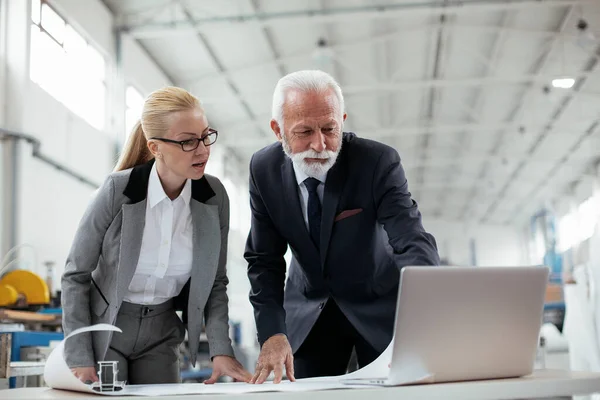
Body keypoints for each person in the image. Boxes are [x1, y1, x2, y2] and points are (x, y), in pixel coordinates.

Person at [245, 70, 440, 383]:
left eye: (329, 129)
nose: (320, 144)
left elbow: (411, 239)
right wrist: (272, 333)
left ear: (343, 120)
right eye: (304, 131)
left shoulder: (377, 162)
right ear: (277, 130)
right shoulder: (262, 169)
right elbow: (263, 260)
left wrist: (424, 311)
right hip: (308, 311)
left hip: (377, 306)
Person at [61, 86, 252, 385]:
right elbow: (76, 274)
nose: (202, 149)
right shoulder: (117, 191)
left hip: (162, 333)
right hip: (107, 329)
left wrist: (221, 351)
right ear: (155, 147)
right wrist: (79, 356)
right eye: (188, 141)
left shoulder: (214, 198)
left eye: (205, 136)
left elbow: (215, 283)